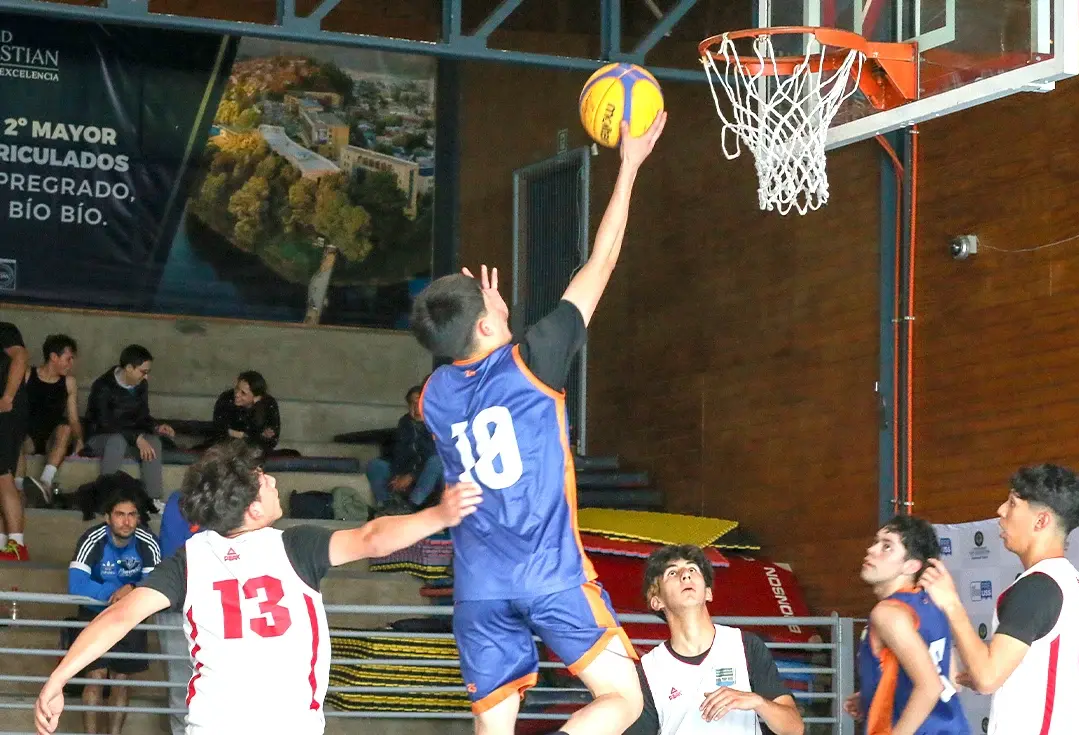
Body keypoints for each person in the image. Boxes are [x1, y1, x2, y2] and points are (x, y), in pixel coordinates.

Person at [410, 112, 666, 735]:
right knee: (624, 700)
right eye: (491, 307)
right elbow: (598, 265)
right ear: (487, 323)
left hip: (478, 588)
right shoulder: (536, 361)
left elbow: (460, 346)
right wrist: (628, 167)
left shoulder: (434, 397)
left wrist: (484, 317)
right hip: (550, 575)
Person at [33, 440, 485, 735]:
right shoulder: (296, 545)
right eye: (263, 481)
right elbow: (372, 537)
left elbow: (119, 615)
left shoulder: (189, 560)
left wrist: (58, 677)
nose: (273, 481)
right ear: (250, 510)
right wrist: (439, 517)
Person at [917, 464, 1079, 735]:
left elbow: (988, 677)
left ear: (1041, 521)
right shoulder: (1074, 584)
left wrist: (950, 603)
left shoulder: (1037, 586)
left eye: (1012, 503)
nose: (1001, 511)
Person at [625, 545, 804, 735]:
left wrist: (757, 702)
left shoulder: (745, 645)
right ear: (656, 601)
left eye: (692, 569)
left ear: (708, 592)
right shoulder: (648, 670)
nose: (685, 575)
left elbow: (794, 728)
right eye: (672, 572)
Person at [846, 517, 968, 735]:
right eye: (875, 542)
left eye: (887, 546)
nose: (871, 550)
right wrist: (872, 693)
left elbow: (930, 687)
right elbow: (950, 679)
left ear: (911, 566)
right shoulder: (933, 605)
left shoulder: (888, 613)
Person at [65, 484, 162, 735]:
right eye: (120, 514)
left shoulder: (148, 541)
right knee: (94, 676)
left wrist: (130, 587)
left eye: (132, 515)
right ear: (108, 517)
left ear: (138, 518)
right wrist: (112, 594)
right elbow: (76, 583)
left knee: (122, 680)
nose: (126, 521)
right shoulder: (92, 539)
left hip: (131, 616)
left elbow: (156, 581)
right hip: (94, 614)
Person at [84, 344, 176, 501]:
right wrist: (137, 438)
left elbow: (142, 416)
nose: (146, 377)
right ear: (128, 368)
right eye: (143, 372)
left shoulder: (141, 386)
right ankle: (106, 497)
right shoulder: (103, 386)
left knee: (153, 442)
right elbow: (105, 423)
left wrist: (156, 427)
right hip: (100, 439)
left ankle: (153, 500)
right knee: (116, 441)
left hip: (129, 439)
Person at [22, 334, 82, 501]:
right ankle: (17, 487)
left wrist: (79, 440)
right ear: (54, 357)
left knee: (65, 429)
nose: (71, 364)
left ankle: (45, 481)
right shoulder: (28, 375)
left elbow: (74, 419)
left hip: (53, 439)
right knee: (15, 433)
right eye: (68, 359)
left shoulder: (69, 382)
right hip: (28, 437)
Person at [155, 487, 195, 735]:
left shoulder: (240, 508)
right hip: (178, 608)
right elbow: (176, 555)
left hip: (224, 608)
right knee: (181, 689)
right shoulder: (180, 502)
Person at [366, 384, 441, 512]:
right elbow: (399, 453)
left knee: (436, 461)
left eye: (420, 403)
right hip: (406, 473)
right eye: (412, 403)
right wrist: (398, 475)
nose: (416, 408)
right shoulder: (405, 423)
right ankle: (387, 505)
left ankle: (411, 505)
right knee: (376, 465)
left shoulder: (437, 423)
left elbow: (432, 454)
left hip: (427, 475)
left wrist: (412, 476)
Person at [0, 320, 29, 561]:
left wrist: (7, 397)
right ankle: (4, 543)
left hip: (6, 413)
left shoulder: (5, 330)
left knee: (2, 475)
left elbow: (21, 357)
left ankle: (17, 543)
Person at [203, 371, 281, 454]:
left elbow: (271, 440)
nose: (237, 394)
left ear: (256, 398)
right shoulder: (226, 399)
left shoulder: (269, 404)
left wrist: (237, 434)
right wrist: (247, 436)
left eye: (243, 393)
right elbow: (218, 429)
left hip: (255, 452)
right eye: (237, 388)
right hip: (225, 449)